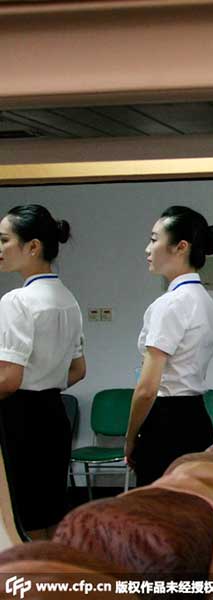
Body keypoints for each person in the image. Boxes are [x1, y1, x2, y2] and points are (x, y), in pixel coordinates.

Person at [0, 204, 85, 539]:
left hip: (19, 418)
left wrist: (30, 381)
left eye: (4, 240)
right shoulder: (69, 299)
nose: (0, 248)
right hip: (53, 414)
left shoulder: (17, 300)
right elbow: (78, 370)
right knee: (49, 514)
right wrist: (46, 379)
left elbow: (9, 379)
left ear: (33, 246)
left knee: (23, 519)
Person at [125, 206, 213, 487]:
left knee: (158, 508)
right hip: (197, 418)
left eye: (154, 239)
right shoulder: (206, 302)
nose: (148, 249)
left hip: (166, 424)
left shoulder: (170, 304)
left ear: (181, 247)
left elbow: (147, 389)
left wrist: (130, 438)